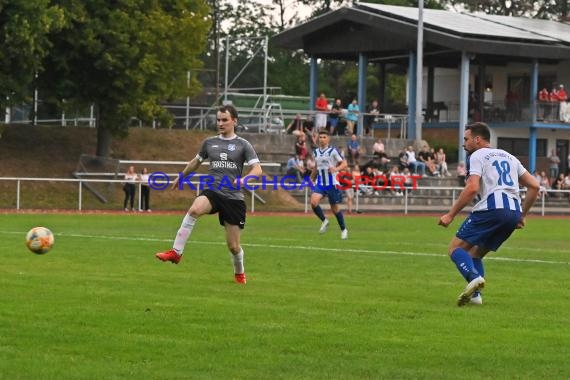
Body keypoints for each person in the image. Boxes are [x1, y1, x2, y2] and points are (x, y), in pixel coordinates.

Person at [155, 105, 262, 284]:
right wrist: (181, 176)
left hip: (233, 198)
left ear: (234, 121)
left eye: (224, 120)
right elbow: (195, 162)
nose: (220, 123)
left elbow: (257, 169)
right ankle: (176, 252)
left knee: (234, 247)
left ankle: (239, 273)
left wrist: (243, 181)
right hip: (212, 191)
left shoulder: (243, 145)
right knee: (194, 209)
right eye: (218, 120)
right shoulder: (209, 142)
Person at [438, 122, 539, 306]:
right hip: (513, 212)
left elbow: (472, 188)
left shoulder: (477, 155)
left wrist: (450, 214)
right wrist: (522, 215)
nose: (464, 144)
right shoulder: (510, 157)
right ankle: (476, 297)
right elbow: (535, 186)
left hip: (491, 209)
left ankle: (473, 277)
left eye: (466, 139)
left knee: (455, 249)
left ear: (477, 140)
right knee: (476, 254)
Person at [310, 129, 349, 240]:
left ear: (328, 139)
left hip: (332, 183)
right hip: (321, 182)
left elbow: (344, 163)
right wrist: (311, 178)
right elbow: (316, 167)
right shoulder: (316, 152)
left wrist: (336, 169)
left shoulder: (333, 151)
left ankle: (343, 229)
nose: (321, 139)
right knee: (313, 202)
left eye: (324, 137)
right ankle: (324, 221)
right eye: (320, 137)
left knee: (335, 208)